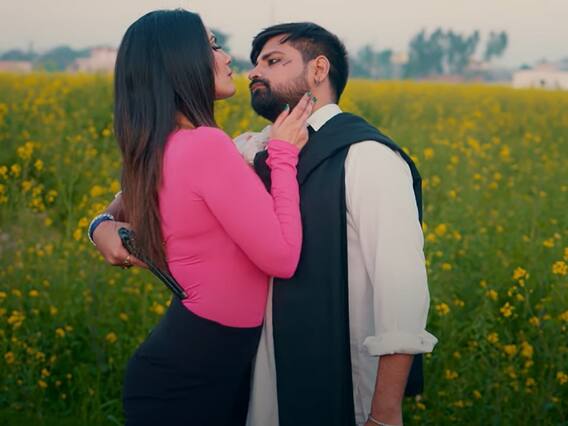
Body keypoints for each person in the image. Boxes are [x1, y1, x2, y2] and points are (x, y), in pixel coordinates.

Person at [92, 21, 438, 426]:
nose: (252, 71)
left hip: (342, 386)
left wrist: (385, 412)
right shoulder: (248, 148)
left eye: (273, 61)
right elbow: (139, 190)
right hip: (256, 392)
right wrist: (100, 224)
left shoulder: (367, 158)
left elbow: (402, 294)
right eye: (255, 62)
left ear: (318, 69)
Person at [97, 9, 315, 426]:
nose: (227, 57)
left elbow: (118, 207)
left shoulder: (157, 147)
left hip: (190, 365)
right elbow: (283, 257)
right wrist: (284, 154)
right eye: (213, 45)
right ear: (179, 61)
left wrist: (98, 226)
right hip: (191, 377)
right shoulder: (204, 146)